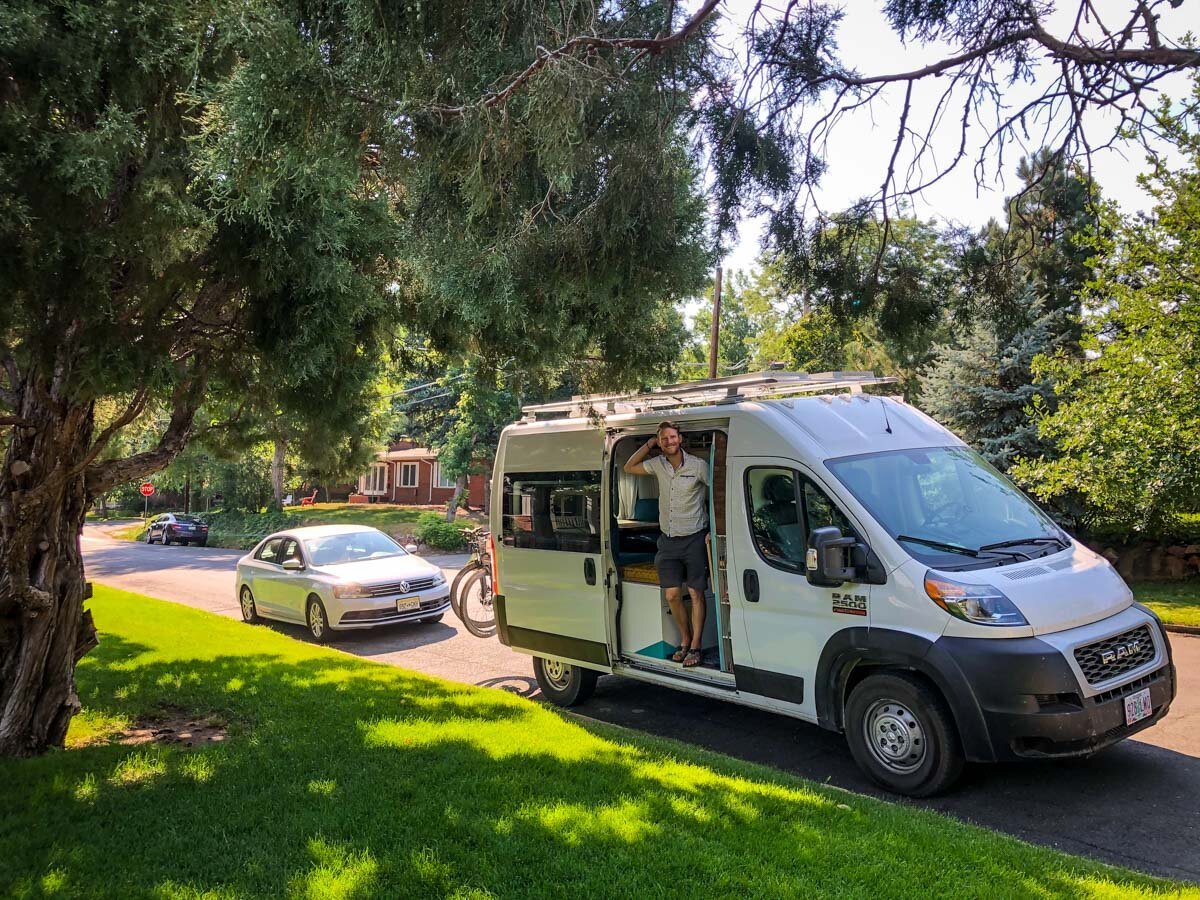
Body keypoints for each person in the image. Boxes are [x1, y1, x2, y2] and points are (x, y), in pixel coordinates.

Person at [623, 421, 709, 667]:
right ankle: (685, 637)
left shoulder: (698, 466)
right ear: (660, 443)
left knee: (695, 593)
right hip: (668, 541)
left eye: (672, 437)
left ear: (680, 438)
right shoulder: (657, 465)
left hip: (694, 538)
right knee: (672, 595)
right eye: (664, 439)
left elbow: (718, 492)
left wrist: (713, 530)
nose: (669, 442)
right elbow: (629, 467)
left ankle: (695, 646)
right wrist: (649, 443)